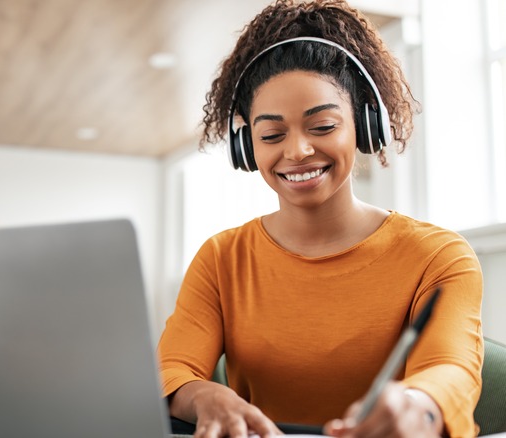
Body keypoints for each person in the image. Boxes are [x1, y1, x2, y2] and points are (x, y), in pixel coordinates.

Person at [156, 1, 484, 437]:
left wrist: (418, 407)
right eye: (271, 135)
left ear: (365, 125)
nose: (296, 152)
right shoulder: (221, 258)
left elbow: (452, 369)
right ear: (245, 148)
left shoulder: (438, 256)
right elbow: (171, 368)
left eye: (323, 126)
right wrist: (203, 395)